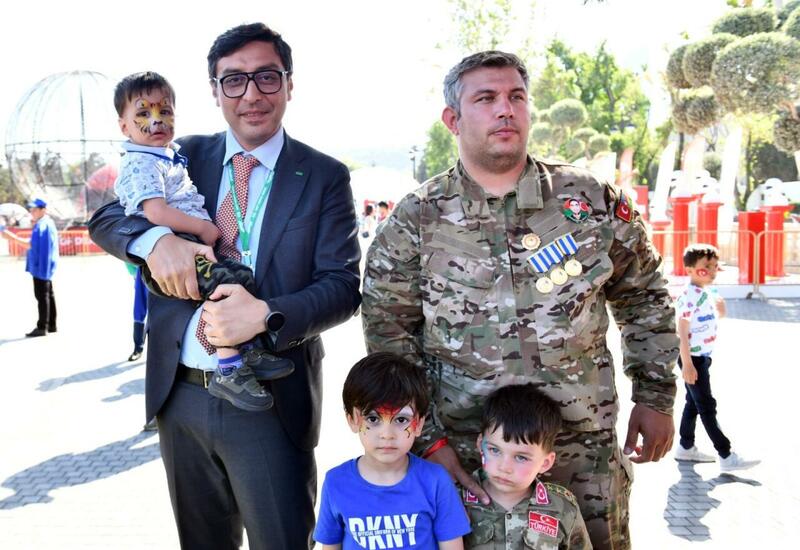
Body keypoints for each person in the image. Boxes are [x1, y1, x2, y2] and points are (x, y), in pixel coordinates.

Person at [361, 51, 678, 550]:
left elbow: (645, 298)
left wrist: (655, 397)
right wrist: (428, 441)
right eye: (485, 98)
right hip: (469, 458)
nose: (504, 109)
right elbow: (389, 338)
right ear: (453, 119)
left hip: (580, 450)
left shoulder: (589, 201)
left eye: (516, 97)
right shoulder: (416, 220)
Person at [89, 23, 361, 549]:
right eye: (233, 80)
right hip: (182, 395)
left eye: (266, 76)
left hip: (270, 398)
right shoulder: (179, 153)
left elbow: (342, 286)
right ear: (215, 91)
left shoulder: (324, 175)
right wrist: (154, 243)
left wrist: (266, 315)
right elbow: (105, 215)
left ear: (289, 83)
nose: (251, 94)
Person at [112, 70, 292, 412]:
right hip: (181, 246)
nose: (156, 121)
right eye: (143, 113)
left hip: (194, 245)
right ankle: (230, 367)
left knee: (240, 278)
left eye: (165, 111)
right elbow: (154, 212)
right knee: (224, 289)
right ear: (124, 126)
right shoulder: (141, 162)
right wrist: (201, 229)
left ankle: (248, 349)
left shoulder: (169, 154)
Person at [314, 352, 470, 550]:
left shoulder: (435, 481)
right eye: (373, 419)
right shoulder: (336, 482)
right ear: (352, 420)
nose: (387, 434)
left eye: (401, 420)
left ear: (418, 424)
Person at [463, 384, 591, 549]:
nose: (505, 468)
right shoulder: (454, 500)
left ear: (545, 463)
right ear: (480, 445)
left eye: (521, 457)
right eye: (495, 450)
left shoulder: (562, 508)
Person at [673, 244, 760, 473]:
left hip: (702, 357)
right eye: (706, 266)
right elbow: (681, 331)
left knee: (693, 403)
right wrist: (687, 364)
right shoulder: (689, 296)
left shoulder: (707, 293)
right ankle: (726, 454)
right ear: (690, 270)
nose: (712, 271)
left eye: (714, 266)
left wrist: (721, 311)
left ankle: (685, 446)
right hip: (693, 359)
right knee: (706, 406)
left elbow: (706, 320)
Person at [19, 198, 59, 337]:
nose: (32, 212)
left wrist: (11, 237)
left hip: (41, 266)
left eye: (35, 210)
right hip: (44, 265)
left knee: (42, 296)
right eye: (31, 210)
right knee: (48, 295)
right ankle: (52, 324)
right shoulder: (45, 223)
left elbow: (34, 245)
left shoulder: (43, 225)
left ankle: (42, 326)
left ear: (43, 210)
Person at [125, 263, 148, 362]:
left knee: (158, 315)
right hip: (143, 270)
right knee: (139, 312)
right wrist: (134, 272)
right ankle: (138, 348)